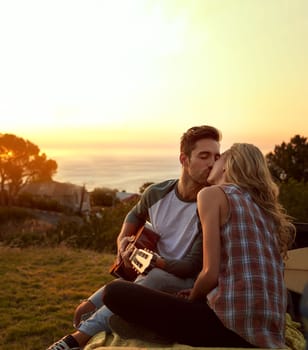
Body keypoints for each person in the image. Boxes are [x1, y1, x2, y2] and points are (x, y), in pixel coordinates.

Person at [103, 143, 296, 348]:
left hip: (228, 328)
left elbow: (209, 272)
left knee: (114, 292)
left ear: (226, 166)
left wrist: (193, 297)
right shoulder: (266, 209)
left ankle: (160, 331)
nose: (213, 162)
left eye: (219, 158)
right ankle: (161, 328)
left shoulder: (212, 194)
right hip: (270, 329)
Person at [46, 125, 221, 350]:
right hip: (147, 273)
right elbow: (134, 215)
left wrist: (154, 261)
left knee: (153, 278)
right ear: (184, 159)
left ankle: (75, 341)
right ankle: (131, 324)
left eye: (216, 157)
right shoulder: (157, 192)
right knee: (83, 310)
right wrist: (123, 245)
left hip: (182, 280)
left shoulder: (211, 204)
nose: (211, 163)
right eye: (204, 156)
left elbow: (190, 267)